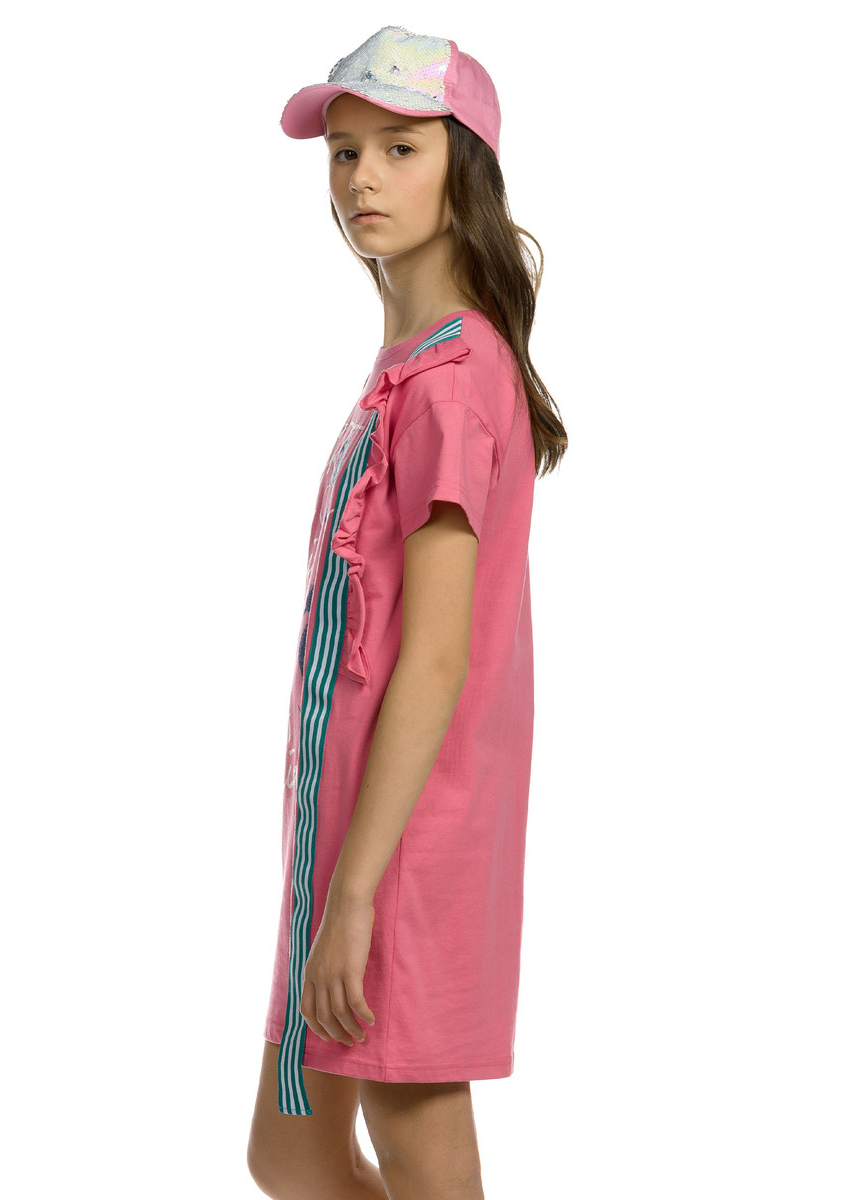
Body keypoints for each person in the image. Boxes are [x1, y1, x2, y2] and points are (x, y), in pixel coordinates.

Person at [247, 25, 567, 1200]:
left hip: (398, 852)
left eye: (399, 148)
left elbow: (435, 659)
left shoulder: (450, 382)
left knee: (423, 1157)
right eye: (345, 152)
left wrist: (356, 895)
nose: (362, 179)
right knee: (290, 1150)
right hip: (344, 836)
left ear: (462, 167)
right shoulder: (411, 370)